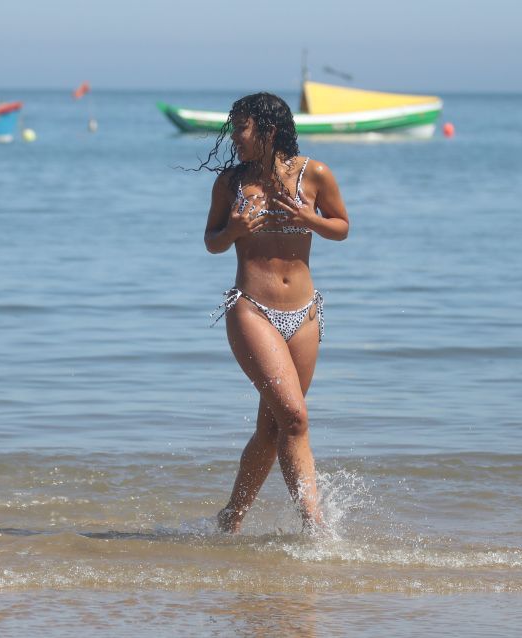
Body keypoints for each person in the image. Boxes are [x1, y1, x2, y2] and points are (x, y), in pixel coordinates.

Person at [201, 93, 349, 533]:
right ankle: (315, 526)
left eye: (241, 127)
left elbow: (342, 226)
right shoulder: (230, 183)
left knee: (273, 427)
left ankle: (231, 520)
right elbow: (211, 240)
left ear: (267, 130)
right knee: (296, 417)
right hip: (252, 311)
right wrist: (235, 230)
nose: (234, 137)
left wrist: (311, 221)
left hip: (304, 314)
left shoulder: (314, 174)